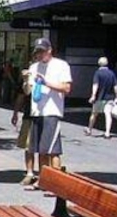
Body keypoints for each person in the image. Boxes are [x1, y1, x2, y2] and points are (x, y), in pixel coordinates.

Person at [22, 37, 72, 188]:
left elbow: (66, 88)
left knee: (53, 150)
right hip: (37, 112)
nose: (39, 54)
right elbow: (27, 91)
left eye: (42, 51)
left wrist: (46, 82)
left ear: (49, 50)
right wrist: (25, 81)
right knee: (40, 150)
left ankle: (55, 183)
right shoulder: (34, 67)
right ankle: (43, 180)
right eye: (37, 52)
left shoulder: (61, 65)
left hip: (52, 111)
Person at [86, 56, 117, 139]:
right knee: (108, 114)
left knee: (94, 114)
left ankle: (89, 130)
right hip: (110, 98)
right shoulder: (111, 73)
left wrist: (93, 95)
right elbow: (115, 86)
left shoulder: (98, 73)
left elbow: (95, 85)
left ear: (99, 63)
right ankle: (107, 133)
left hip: (99, 98)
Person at [11, 90, 37, 185]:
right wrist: (15, 113)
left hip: (44, 117)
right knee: (28, 146)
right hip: (28, 116)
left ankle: (44, 174)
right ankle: (29, 173)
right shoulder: (27, 81)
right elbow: (21, 96)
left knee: (44, 149)